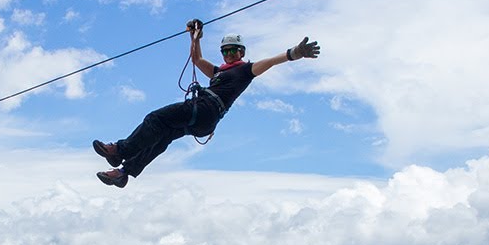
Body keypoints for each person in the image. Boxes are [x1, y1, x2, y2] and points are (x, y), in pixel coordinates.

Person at [92, 19, 320, 187]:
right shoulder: (218, 72)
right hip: (204, 120)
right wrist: (195, 37)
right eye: (225, 51)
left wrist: (294, 53)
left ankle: (119, 150)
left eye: (233, 51)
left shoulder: (244, 70)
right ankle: (123, 172)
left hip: (205, 109)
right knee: (162, 136)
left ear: (241, 52)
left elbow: (269, 62)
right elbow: (197, 59)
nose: (229, 55)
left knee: (155, 118)